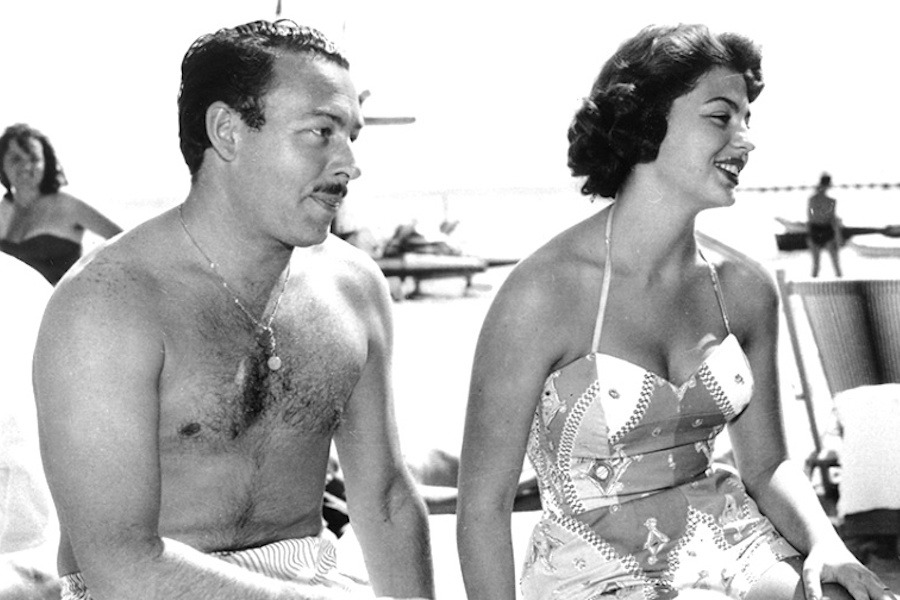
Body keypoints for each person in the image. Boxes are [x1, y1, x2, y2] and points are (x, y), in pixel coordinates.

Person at [457, 23, 895, 600]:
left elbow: (764, 467)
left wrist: (828, 544)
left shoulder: (742, 289)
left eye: (747, 119)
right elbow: (483, 509)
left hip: (730, 539)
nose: (745, 139)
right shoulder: (542, 294)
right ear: (646, 121)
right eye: (721, 117)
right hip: (592, 565)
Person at [33, 19, 433, 600]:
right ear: (227, 132)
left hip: (311, 576)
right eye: (321, 131)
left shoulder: (353, 285)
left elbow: (387, 497)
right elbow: (118, 564)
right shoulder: (109, 304)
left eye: (352, 135)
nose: (349, 162)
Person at [0, 124, 122, 285]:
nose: (26, 166)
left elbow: (127, 242)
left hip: (62, 307)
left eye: (34, 159)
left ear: (46, 163)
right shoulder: (2, 210)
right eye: (16, 159)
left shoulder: (68, 206)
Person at [806, 172, 843, 278]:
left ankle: (812, 288)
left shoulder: (813, 199)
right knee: (835, 265)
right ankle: (842, 287)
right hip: (824, 230)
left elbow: (810, 218)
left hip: (816, 230)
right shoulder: (830, 201)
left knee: (817, 266)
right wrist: (838, 237)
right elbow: (833, 221)